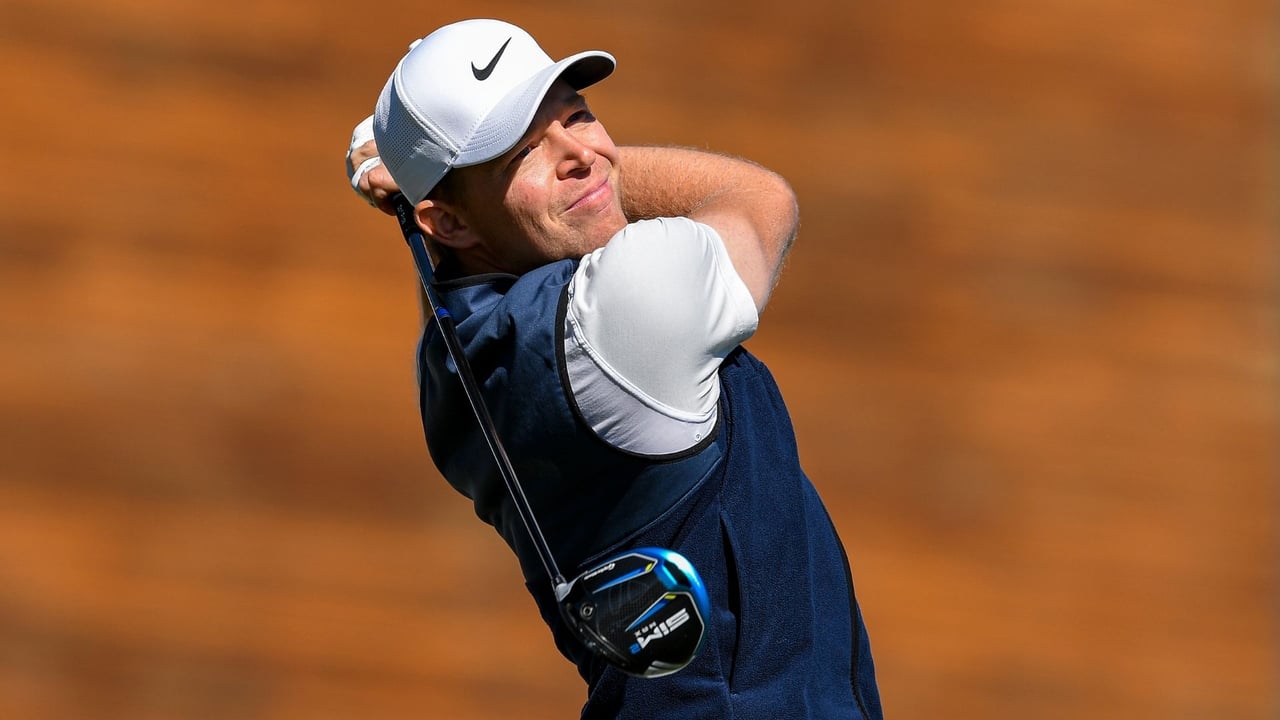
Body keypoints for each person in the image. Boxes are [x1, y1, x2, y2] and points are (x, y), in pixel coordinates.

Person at [345, 19, 884, 719]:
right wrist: (600, 167)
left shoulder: (450, 371)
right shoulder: (627, 311)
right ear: (447, 222)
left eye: (579, 117)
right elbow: (760, 202)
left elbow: (453, 276)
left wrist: (434, 187)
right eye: (523, 153)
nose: (580, 154)